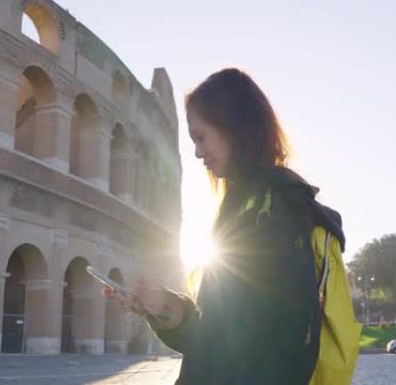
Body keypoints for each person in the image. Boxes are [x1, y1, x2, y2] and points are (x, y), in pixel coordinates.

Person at [104, 68, 345, 384]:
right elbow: (216, 341)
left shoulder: (277, 211)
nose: (197, 152)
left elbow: (286, 349)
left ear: (235, 128)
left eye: (201, 137)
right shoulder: (244, 206)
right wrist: (164, 306)